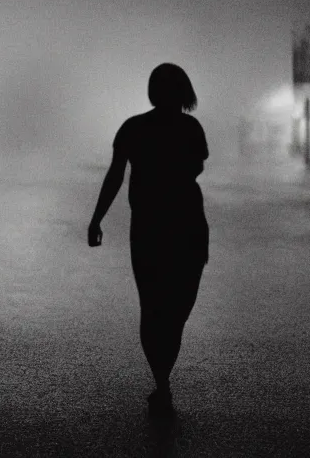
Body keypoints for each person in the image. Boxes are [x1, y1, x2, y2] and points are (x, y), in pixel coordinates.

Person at [86, 63, 209, 418]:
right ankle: (163, 374)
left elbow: (115, 176)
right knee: (178, 307)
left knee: (153, 305)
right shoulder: (190, 128)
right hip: (187, 225)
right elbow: (196, 168)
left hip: (149, 228)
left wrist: (97, 218)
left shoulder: (133, 128)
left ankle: (161, 378)